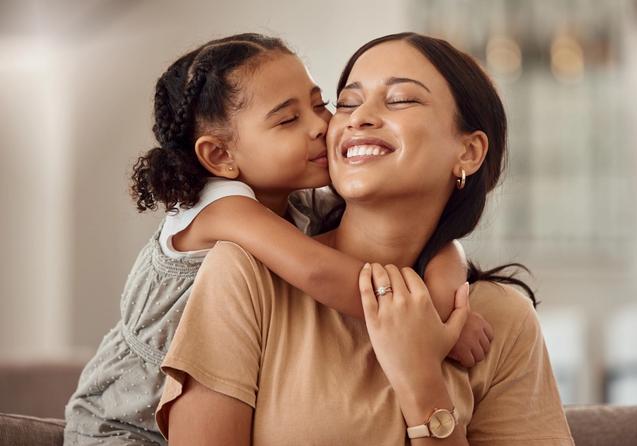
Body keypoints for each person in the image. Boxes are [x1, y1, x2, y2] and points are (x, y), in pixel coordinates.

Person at [64, 33, 488, 445]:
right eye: (288, 119)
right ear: (220, 156)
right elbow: (320, 271)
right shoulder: (222, 210)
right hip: (123, 426)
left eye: (320, 104)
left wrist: (446, 273)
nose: (321, 126)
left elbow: (425, 235)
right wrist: (425, 315)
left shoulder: (300, 203)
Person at [156, 33, 575, 445]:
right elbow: (317, 269)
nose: (356, 118)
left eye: (401, 99)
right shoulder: (244, 273)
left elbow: (443, 248)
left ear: (468, 152)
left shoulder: (501, 320)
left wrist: (421, 383)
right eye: (349, 102)